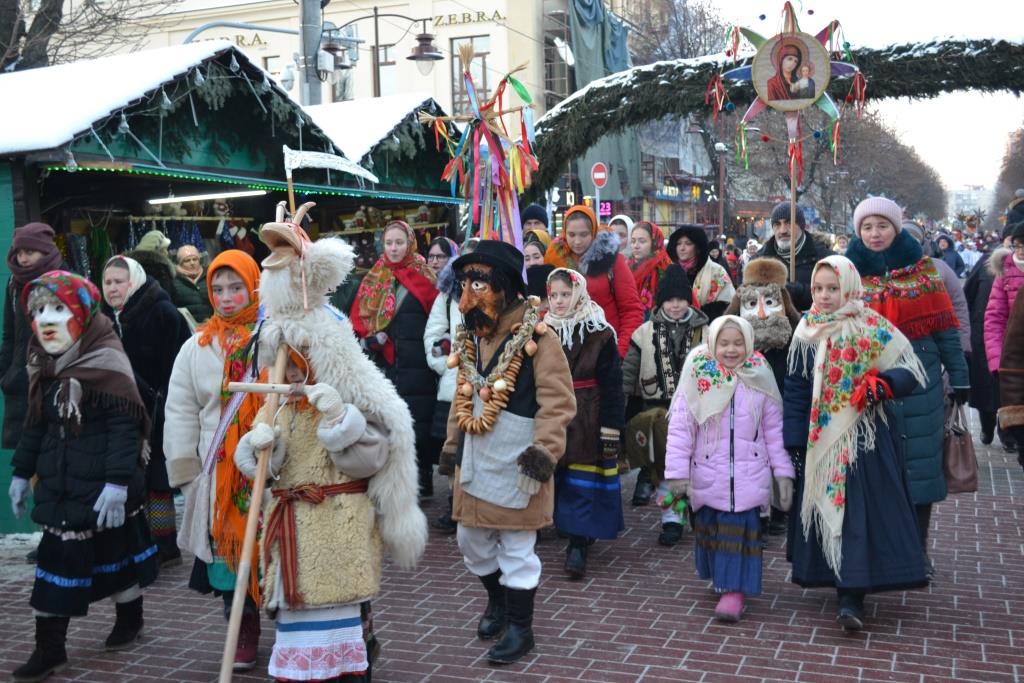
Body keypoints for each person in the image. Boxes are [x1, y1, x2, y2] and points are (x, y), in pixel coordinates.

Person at [234, 223, 427, 682]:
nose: (294, 363)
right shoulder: (279, 394)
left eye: (303, 354)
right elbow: (263, 460)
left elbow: (372, 455)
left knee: (340, 645)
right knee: (297, 645)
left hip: (337, 529)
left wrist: (341, 421)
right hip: (292, 537)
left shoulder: (341, 372)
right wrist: (259, 447)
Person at [9, 271, 159, 681]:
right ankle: (50, 649)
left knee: (113, 554)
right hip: (62, 488)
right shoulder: (43, 363)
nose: (46, 319)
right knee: (65, 562)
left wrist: (115, 484)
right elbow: (35, 424)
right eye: (38, 310)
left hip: (102, 486)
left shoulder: (105, 359)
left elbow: (125, 426)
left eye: (58, 308)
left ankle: (128, 618)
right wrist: (22, 473)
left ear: (82, 312)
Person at [443, 241, 575, 664]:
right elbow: (460, 396)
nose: (469, 292)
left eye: (478, 282)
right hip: (475, 456)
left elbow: (558, 403)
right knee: (471, 540)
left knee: (518, 549)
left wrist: (545, 452)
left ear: (503, 286)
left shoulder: (540, 337)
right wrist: (451, 447)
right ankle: (498, 602)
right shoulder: (470, 338)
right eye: (466, 282)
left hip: (519, 460)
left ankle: (521, 628)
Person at [784, 255, 929, 630]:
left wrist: (885, 384)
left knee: (859, 513)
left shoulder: (871, 323)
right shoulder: (805, 329)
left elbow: (910, 369)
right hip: (820, 443)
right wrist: (794, 441)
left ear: (849, 287)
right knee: (827, 506)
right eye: (818, 289)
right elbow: (797, 388)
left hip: (866, 440)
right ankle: (831, 576)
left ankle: (853, 594)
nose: (825, 295)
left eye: (833, 288)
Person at [844, 197, 969, 576]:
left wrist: (959, 377)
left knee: (919, 470)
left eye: (881, 225)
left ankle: (917, 552)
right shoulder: (847, 272)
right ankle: (877, 552)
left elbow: (946, 327)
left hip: (920, 383)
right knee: (869, 471)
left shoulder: (924, 271)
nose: (874, 233)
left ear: (896, 228)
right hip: (864, 385)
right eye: (867, 227)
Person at [164, 250, 265, 671]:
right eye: (218, 289)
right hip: (217, 469)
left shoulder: (275, 336)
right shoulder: (197, 346)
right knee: (227, 551)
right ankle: (240, 625)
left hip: (267, 463)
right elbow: (180, 410)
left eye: (236, 287)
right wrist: (186, 470)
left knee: (271, 549)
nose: (226, 297)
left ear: (254, 285)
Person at [664, 315, 794, 622]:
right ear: (712, 343)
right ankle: (721, 578)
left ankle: (734, 592)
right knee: (711, 533)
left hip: (750, 478)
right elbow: (681, 430)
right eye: (724, 343)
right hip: (708, 474)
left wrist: (782, 473)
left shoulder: (761, 374)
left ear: (748, 343)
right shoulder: (698, 373)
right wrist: (677, 474)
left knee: (738, 537)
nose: (731, 350)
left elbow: (774, 432)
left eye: (738, 343)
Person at [101, 256, 190, 567]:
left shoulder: (163, 312)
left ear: (133, 281)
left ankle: (164, 545)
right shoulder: (102, 319)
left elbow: (179, 366)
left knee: (157, 481)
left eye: (118, 282)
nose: (112, 288)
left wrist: (166, 406)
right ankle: (135, 544)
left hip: (158, 408)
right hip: (118, 413)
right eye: (108, 282)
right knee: (128, 479)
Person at [544, 268, 625, 579]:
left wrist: (611, 427)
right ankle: (570, 529)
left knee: (582, 483)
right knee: (558, 479)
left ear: (578, 293)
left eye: (566, 294)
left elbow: (613, 385)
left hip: (588, 415)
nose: (560, 301)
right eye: (554, 295)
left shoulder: (599, 332)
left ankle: (577, 546)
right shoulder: (541, 330)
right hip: (552, 414)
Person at [351, 221, 440, 498]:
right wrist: (370, 341)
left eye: (399, 242)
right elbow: (358, 323)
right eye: (389, 242)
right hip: (385, 365)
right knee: (388, 426)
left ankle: (423, 476)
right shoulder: (373, 279)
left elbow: (436, 319)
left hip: (419, 365)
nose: (394, 248)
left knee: (419, 423)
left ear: (410, 243)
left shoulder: (425, 276)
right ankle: (392, 482)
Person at [621, 264, 709, 542]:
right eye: (669, 300)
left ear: (689, 300)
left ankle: (695, 509)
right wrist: (620, 403)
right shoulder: (644, 333)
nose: (675, 305)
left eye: (681, 299)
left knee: (697, 465)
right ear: (661, 302)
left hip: (697, 411)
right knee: (665, 469)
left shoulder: (706, 331)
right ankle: (672, 519)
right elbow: (628, 373)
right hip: (656, 411)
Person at [545, 205, 643, 357]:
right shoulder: (553, 258)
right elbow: (545, 307)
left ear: (593, 233)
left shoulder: (611, 259)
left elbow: (631, 310)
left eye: (583, 235)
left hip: (606, 350)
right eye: (571, 234)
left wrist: (619, 353)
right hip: (564, 355)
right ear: (564, 233)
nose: (577, 241)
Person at [1, 223, 64, 453]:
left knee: (53, 455)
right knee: (27, 460)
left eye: (29, 252)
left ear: (45, 251)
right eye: (19, 252)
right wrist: (7, 373)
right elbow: (9, 335)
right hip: (20, 385)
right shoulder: (13, 283)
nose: (23, 259)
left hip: (53, 383)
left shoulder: (65, 282)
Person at [424, 239, 463, 534]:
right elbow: (435, 332)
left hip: (490, 385)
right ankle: (454, 503)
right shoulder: (448, 293)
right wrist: (444, 365)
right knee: (452, 446)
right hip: (453, 384)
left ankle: (474, 503)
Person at [758, 202, 834, 311]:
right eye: (777, 224)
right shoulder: (759, 260)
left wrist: (800, 291)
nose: (783, 230)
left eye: (789, 223)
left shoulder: (825, 258)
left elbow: (837, 293)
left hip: (812, 325)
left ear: (801, 225)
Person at [984, 222, 1024, 411]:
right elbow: (994, 320)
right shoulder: (1004, 274)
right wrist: (997, 362)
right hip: (1013, 361)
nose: (1021, 250)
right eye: (1018, 245)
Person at [666, 225, 735, 322]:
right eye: (678, 244)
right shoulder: (669, 271)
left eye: (688, 244)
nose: (682, 248)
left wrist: (700, 316)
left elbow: (728, 304)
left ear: (698, 248)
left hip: (708, 327)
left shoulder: (717, 271)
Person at [627, 220, 672, 318]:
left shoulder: (665, 268)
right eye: (633, 241)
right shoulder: (627, 267)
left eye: (642, 241)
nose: (636, 246)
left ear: (654, 243)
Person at [172, 245, 213, 324]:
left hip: (212, 326)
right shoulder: (175, 282)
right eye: (187, 260)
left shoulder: (209, 276)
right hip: (187, 329)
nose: (192, 263)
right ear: (180, 263)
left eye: (195, 259)